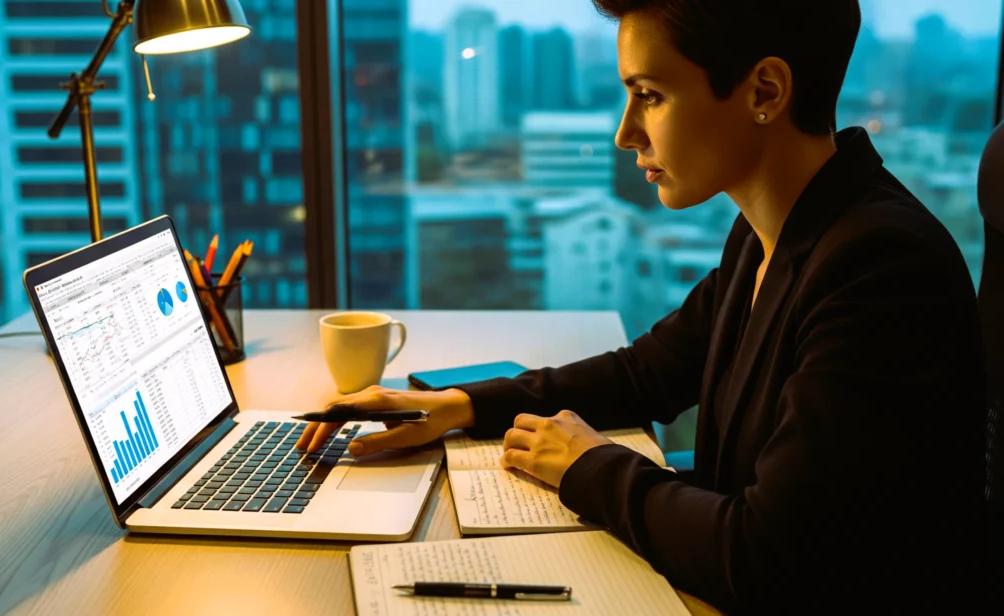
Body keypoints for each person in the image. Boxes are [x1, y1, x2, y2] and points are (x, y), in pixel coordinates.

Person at [299, 1, 986, 611]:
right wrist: (465, 406)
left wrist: (587, 467)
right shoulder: (771, 230)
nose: (626, 133)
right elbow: (649, 372)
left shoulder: (878, 268)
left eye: (650, 96)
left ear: (765, 91)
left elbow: (768, 559)